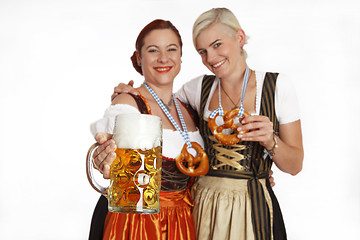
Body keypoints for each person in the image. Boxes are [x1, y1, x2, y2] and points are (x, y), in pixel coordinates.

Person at [96, 8, 303, 240]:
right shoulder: (196, 91)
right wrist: (126, 95)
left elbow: (295, 165)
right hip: (199, 207)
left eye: (217, 45)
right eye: (202, 51)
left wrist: (269, 143)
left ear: (240, 38)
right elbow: (149, 106)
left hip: (249, 204)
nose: (211, 58)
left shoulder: (277, 87)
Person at [88, 19, 205, 240]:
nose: (163, 58)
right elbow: (108, 155)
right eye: (153, 50)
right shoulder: (128, 103)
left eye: (172, 49)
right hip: (137, 221)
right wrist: (102, 157)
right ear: (139, 58)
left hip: (184, 221)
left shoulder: (189, 108)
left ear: (181, 56)